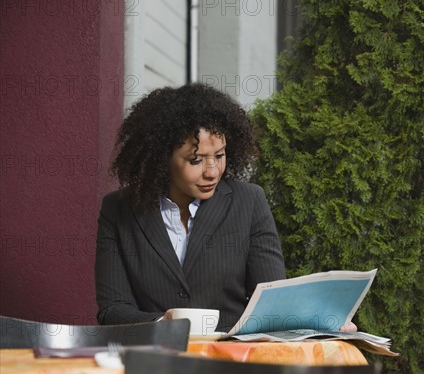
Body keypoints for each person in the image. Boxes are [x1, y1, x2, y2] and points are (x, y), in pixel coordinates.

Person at [95, 82, 357, 333]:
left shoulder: (249, 202)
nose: (212, 172)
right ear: (162, 159)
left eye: (219, 156)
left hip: (234, 364)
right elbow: (113, 310)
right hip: (154, 361)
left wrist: (324, 321)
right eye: (196, 160)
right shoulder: (118, 210)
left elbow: (271, 305)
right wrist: (161, 322)